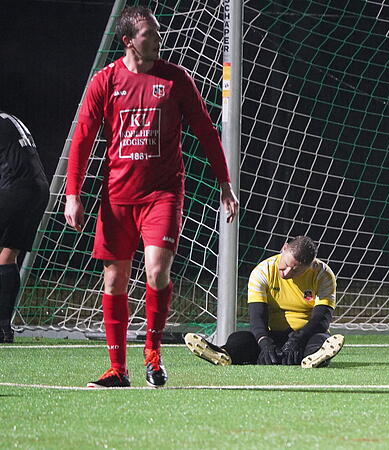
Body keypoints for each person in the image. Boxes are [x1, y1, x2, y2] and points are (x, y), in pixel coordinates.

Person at [64, 6, 239, 388]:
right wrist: (72, 194)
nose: (158, 39)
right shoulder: (105, 81)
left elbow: (207, 132)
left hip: (163, 194)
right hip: (117, 197)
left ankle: (153, 356)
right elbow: (83, 138)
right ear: (128, 40)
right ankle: (117, 369)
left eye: (158, 33)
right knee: (114, 280)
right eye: (149, 34)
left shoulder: (176, 79)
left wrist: (225, 184)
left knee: (157, 270)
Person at [184, 236, 344, 368]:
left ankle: (315, 357)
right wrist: (265, 344)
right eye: (287, 265)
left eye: (296, 270)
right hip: (272, 335)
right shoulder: (262, 272)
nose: (287, 272)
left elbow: (321, 319)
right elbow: (257, 317)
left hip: (305, 335)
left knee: (319, 338)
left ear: (309, 267)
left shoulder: (322, 274)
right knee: (241, 338)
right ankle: (224, 353)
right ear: (284, 248)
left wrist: (297, 339)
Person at [0, 111, 49, 344]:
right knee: (6, 256)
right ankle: (3, 328)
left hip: (15, 188)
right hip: (37, 188)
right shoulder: (10, 118)